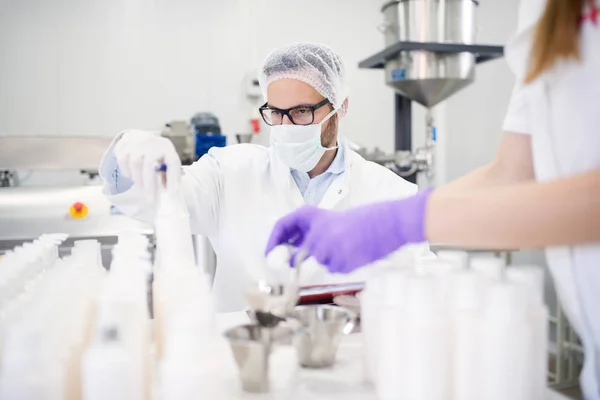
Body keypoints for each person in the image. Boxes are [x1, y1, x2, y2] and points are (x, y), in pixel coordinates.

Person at [266, 0, 600, 397]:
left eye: (302, 111)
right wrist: (397, 215)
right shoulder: (543, 13)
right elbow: (512, 172)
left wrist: (399, 221)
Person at [98, 42, 432, 313]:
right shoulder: (228, 173)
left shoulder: (389, 191)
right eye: (275, 113)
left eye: (301, 112)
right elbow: (157, 199)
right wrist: (128, 155)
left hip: (343, 362)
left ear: (339, 107)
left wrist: (387, 305)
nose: (284, 127)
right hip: (247, 367)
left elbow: (424, 283)